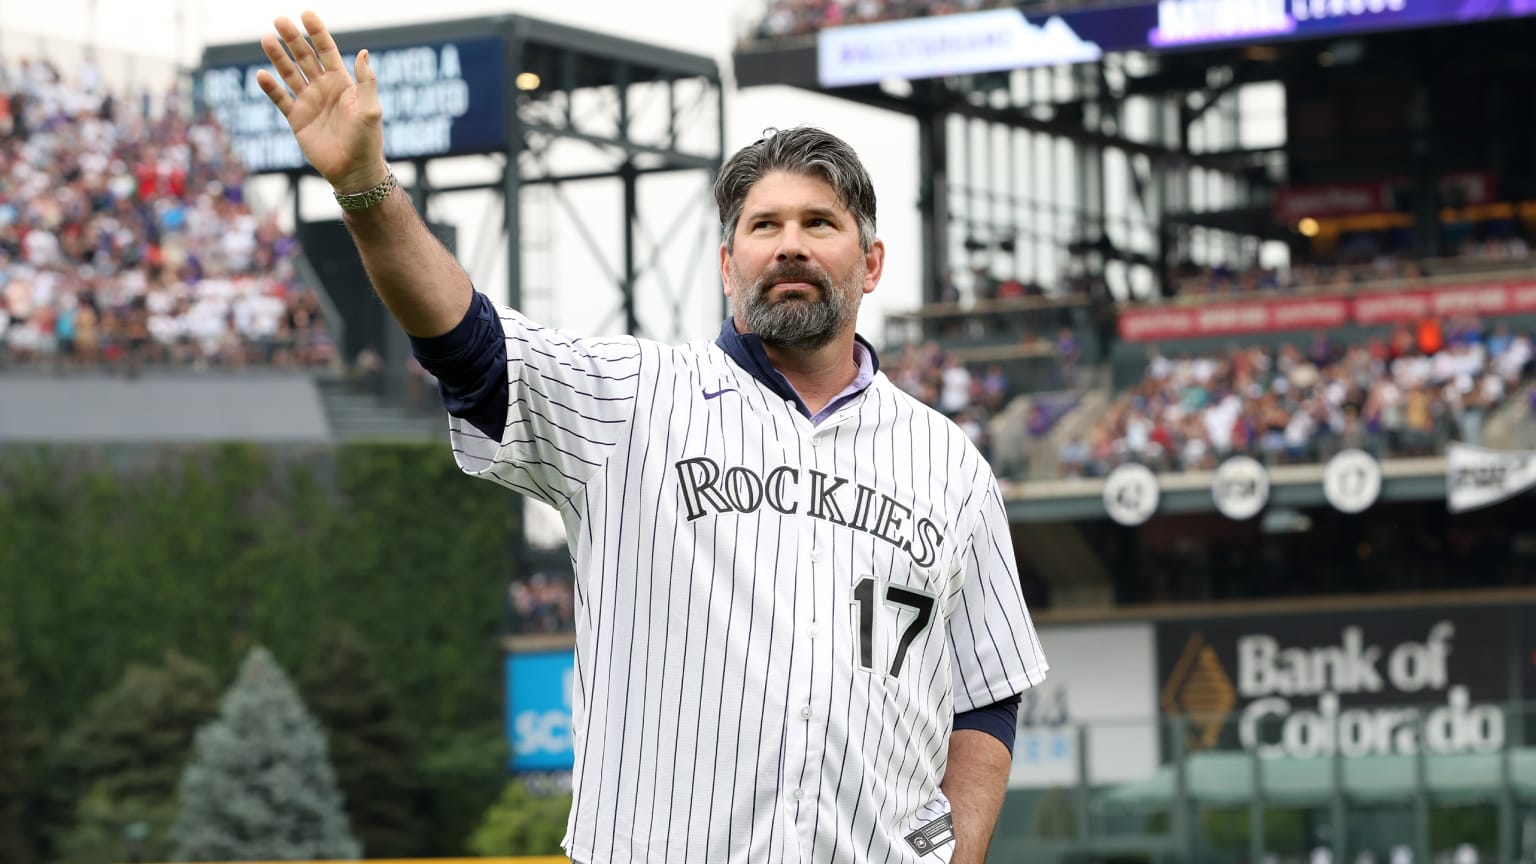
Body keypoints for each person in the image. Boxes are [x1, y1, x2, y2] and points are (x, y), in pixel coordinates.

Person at [257, 12, 1047, 864]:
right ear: (727, 262)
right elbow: (466, 342)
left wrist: (958, 852)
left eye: (819, 224)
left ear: (873, 262)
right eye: (764, 225)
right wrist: (369, 192)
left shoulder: (948, 464)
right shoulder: (633, 400)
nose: (790, 245)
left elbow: (987, 694)